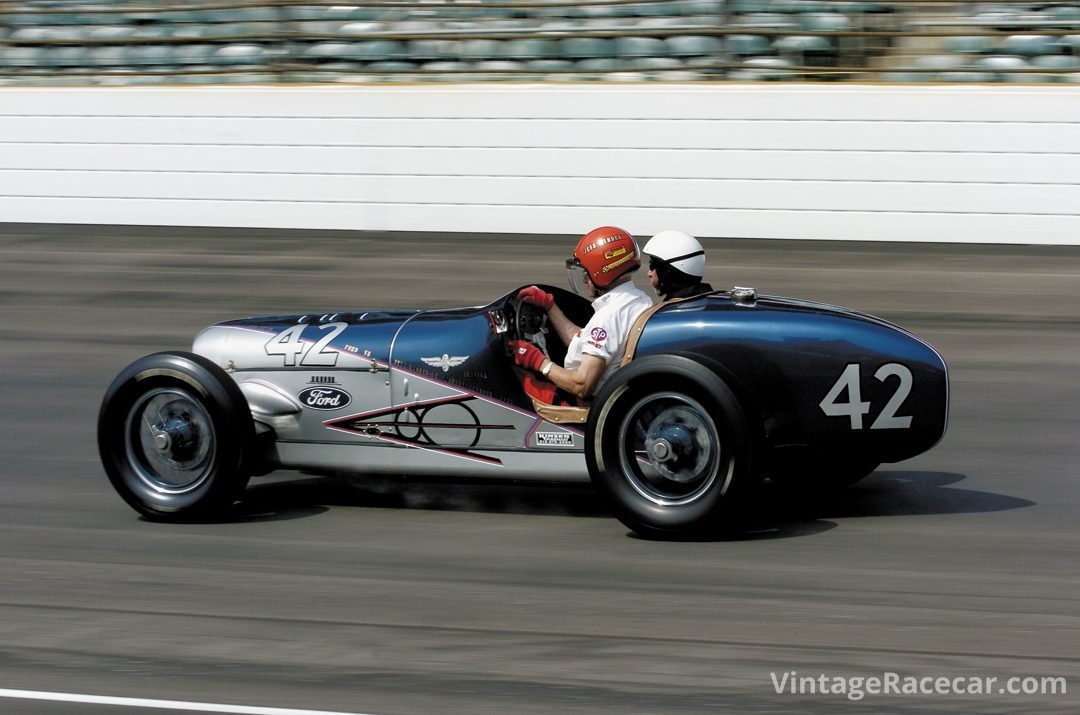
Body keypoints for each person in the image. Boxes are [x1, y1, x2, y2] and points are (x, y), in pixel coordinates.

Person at [509, 226, 652, 403]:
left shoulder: (607, 317)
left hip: (588, 407)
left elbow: (582, 385)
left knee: (509, 378)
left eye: (587, 272)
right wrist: (550, 306)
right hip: (618, 398)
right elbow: (586, 341)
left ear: (603, 271)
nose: (585, 279)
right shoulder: (638, 300)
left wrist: (539, 362)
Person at [642, 230, 713, 301]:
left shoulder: (670, 310)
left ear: (668, 271)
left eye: (652, 265)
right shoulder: (714, 302)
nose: (649, 273)